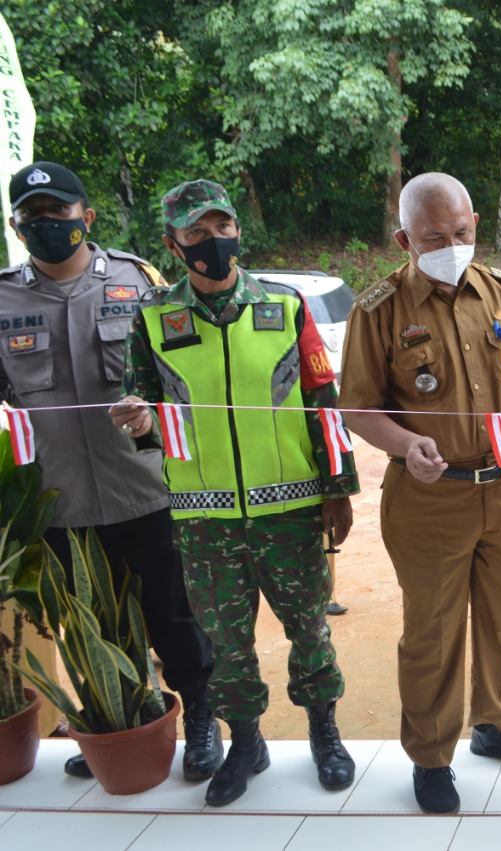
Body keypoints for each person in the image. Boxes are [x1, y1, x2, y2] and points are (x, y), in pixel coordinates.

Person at [111, 179, 359, 807]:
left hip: (291, 509)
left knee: (308, 628)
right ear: (173, 244)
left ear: (237, 230)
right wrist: (139, 423)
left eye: (221, 227)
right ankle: (245, 741)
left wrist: (338, 491)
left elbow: (322, 403)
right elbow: (143, 410)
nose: (212, 242)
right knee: (226, 640)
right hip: (204, 517)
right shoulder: (154, 318)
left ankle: (323, 732)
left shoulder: (286, 305)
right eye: (196, 233)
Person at [339, 173, 501, 815]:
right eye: (435, 237)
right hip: (430, 495)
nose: (452, 244)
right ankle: (431, 755)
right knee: (434, 632)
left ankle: (494, 725)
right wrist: (403, 444)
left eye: (462, 232)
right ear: (404, 237)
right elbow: (357, 408)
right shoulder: (378, 309)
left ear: (475, 224)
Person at [0, 161, 220, 782]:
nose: (48, 224)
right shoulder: (2, 298)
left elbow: (184, 380)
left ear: (86, 217)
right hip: (58, 499)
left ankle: (202, 718)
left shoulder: (138, 283)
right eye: (33, 216)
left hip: (145, 489)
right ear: (17, 227)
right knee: (92, 620)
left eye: (59, 212)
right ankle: (120, 717)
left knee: (172, 614)